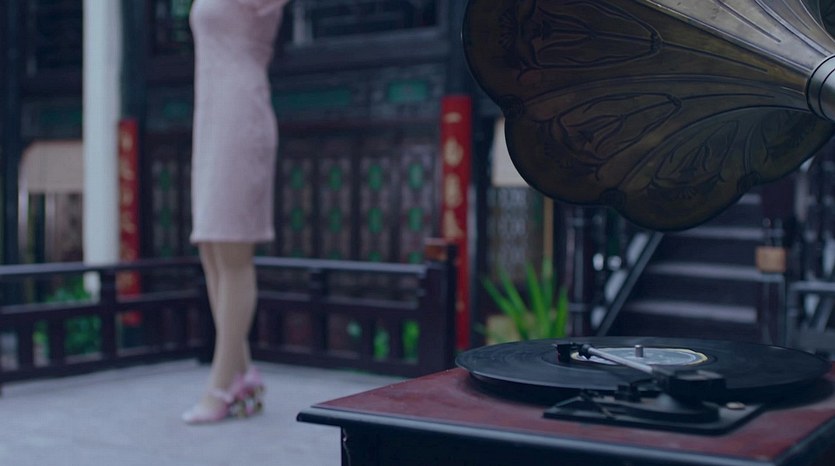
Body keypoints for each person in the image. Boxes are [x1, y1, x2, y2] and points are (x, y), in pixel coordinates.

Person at [182, 0, 289, 424]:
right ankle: (243, 376)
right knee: (211, 247)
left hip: (240, 113)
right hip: (210, 114)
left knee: (232, 249)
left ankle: (221, 385)